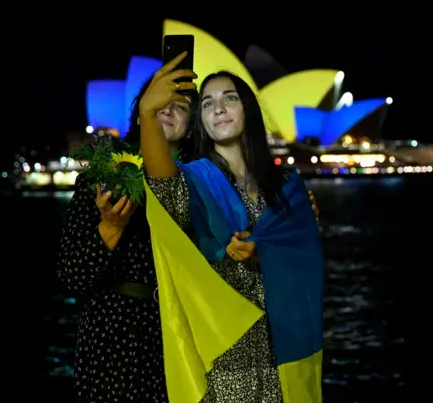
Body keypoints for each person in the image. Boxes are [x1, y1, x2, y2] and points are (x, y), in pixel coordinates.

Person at [139, 53, 325, 402]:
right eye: (207, 103)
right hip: (225, 359)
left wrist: (268, 249)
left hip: (284, 352)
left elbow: (306, 255)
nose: (219, 108)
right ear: (201, 122)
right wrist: (149, 115)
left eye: (230, 98)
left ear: (248, 110)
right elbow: (162, 190)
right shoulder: (193, 181)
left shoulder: (287, 185)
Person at [57, 76, 196, 403]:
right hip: (116, 336)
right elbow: (73, 276)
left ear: (193, 125)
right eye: (158, 102)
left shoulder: (206, 183)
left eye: (180, 106)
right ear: (139, 114)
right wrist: (112, 226)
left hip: (184, 331)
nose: (167, 111)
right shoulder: (102, 176)